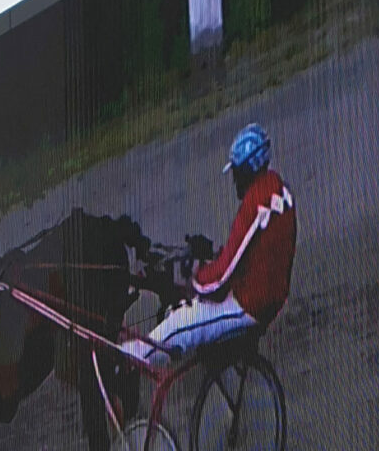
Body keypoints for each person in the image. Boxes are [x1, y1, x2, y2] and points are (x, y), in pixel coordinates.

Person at [124, 123, 296, 365]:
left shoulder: (256, 204)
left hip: (249, 305)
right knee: (189, 310)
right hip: (267, 295)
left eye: (236, 172)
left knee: (178, 324)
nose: (234, 179)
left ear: (247, 170)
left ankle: (128, 361)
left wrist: (194, 281)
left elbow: (222, 276)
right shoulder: (277, 188)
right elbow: (246, 254)